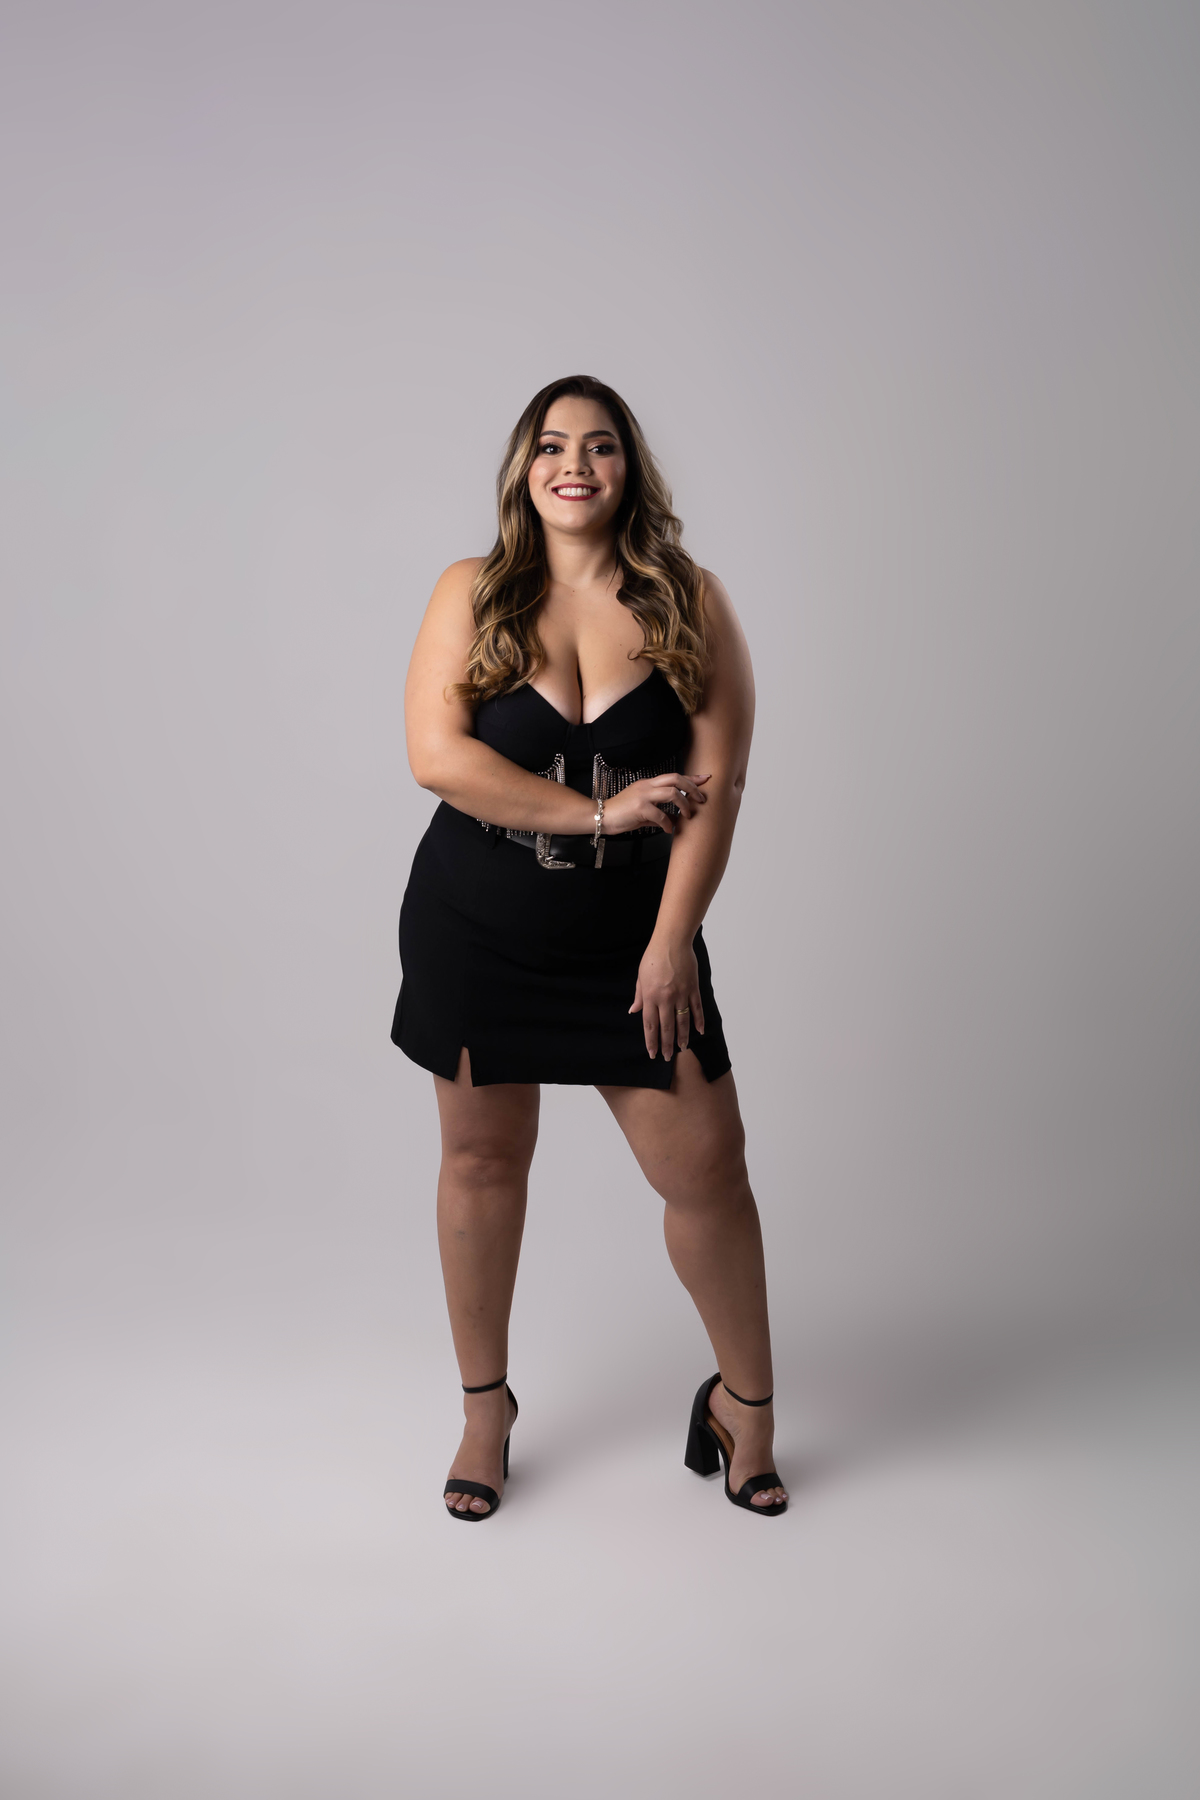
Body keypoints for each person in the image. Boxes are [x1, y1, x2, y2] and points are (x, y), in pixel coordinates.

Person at [393, 375, 787, 1519]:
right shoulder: (472, 590)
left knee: (708, 1172)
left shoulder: (691, 600)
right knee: (481, 1164)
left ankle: (747, 1410)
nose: (576, 464)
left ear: (629, 468)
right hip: (476, 927)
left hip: (632, 938)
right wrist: (606, 814)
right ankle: (486, 1411)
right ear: (525, 469)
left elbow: (719, 789)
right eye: (553, 444)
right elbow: (438, 758)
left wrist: (672, 942)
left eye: (601, 445)